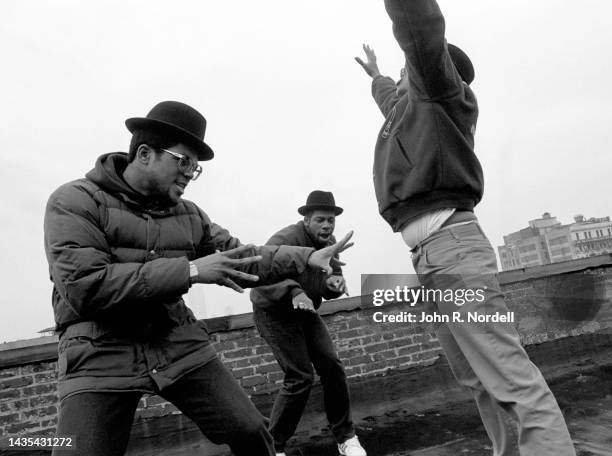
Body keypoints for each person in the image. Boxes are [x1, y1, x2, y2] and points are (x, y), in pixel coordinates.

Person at [43, 101, 354, 456]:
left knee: (252, 431)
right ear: (145, 154)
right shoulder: (74, 201)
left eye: (196, 168)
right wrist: (191, 271)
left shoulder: (191, 215)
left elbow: (243, 258)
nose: (190, 173)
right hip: (99, 348)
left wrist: (307, 257)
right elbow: (85, 286)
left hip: (173, 339)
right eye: (184, 161)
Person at [355, 1, 576, 455]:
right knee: (476, 379)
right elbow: (389, 100)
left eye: (406, 70)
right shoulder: (410, 114)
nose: (402, 76)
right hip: (430, 261)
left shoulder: (439, 95)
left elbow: (421, 33)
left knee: (511, 378)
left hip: (454, 252)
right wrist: (376, 75)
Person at [250, 191, 366, 456]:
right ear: (306, 220)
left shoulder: (330, 242)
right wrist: (294, 291)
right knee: (300, 376)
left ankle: (346, 437)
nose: (327, 226)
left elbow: (331, 277)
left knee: (332, 367)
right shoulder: (285, 239)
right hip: (274, 312)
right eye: (320, 220)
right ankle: (272, 447)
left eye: (331, 221)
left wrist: (333, 284)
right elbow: (260, 275)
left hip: (306, 312)